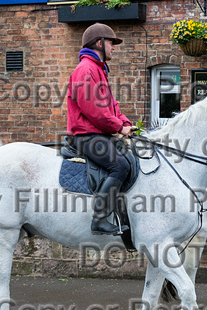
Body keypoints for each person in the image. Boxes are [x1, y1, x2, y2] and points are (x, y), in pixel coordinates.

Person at [67, 23, 133, 235]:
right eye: (111, 42)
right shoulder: (86, 70)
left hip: (98, 133)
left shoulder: (98, 69)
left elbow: (111, 107)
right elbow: (94, 111)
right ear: (98, 43)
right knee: (120, 166)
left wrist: (125, 123)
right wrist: (118, 128)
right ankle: (99, 219)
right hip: (86, 136)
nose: (114, 47)